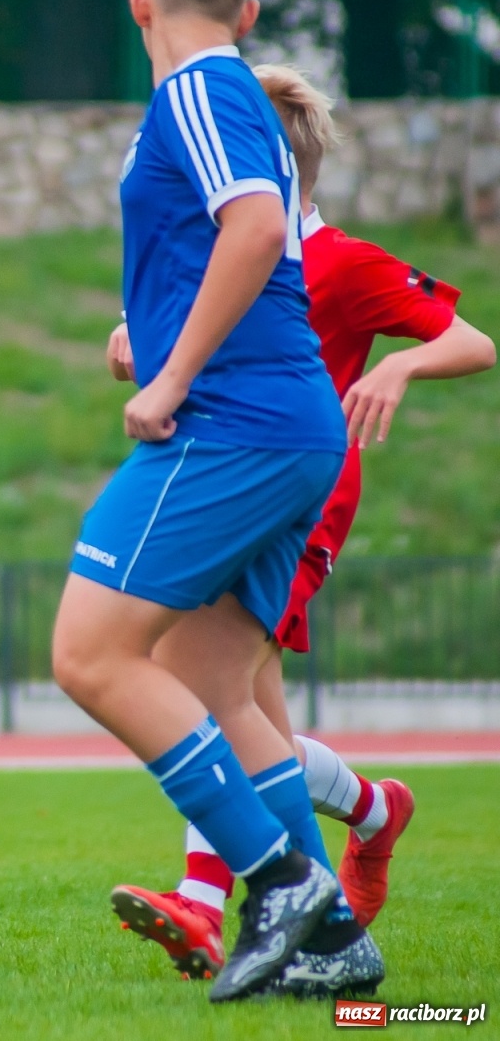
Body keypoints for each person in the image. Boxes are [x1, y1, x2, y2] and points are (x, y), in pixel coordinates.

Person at [106, 64, 495, 987]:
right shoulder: (214, 264)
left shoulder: (343, 263)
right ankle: (367, 817)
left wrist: (398, 369)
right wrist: (137, 352)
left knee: (204, 691)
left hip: (295, 504)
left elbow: (472, 339)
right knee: (244, 714)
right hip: (216, 485)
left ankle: (206, 904)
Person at [49, 0, 356, 1004]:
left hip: (232, 424)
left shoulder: (197, 85)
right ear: (252, 5)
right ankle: (337, 943)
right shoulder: (222, 89)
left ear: (139, 0)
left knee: (89, 652)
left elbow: (258, 228)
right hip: (281, 419)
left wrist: (172, 376)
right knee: (216, 681)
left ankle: (279, 881)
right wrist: (159, 339)